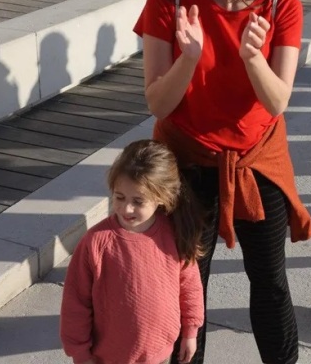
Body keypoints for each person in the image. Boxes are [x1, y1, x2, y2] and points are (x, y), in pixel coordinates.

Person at [135, 0, 311, 364]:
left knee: (271, 281)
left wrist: (252, 57)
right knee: (189, 285)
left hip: (258, 161)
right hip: (186, 162)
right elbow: (158, 103)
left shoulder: (281, 5)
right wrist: (189, 57)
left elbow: (276, 101)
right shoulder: (165, 2)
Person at [61, 140, 205, 364]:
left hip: (160, 354)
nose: (126, 208)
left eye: (138, 201)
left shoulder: (174, 235)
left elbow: (190, 286)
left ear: (161, 198)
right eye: (119, 197)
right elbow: (75, 302)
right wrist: (80, 353)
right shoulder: (96, 242)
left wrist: (190, 331)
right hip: (109, 357)